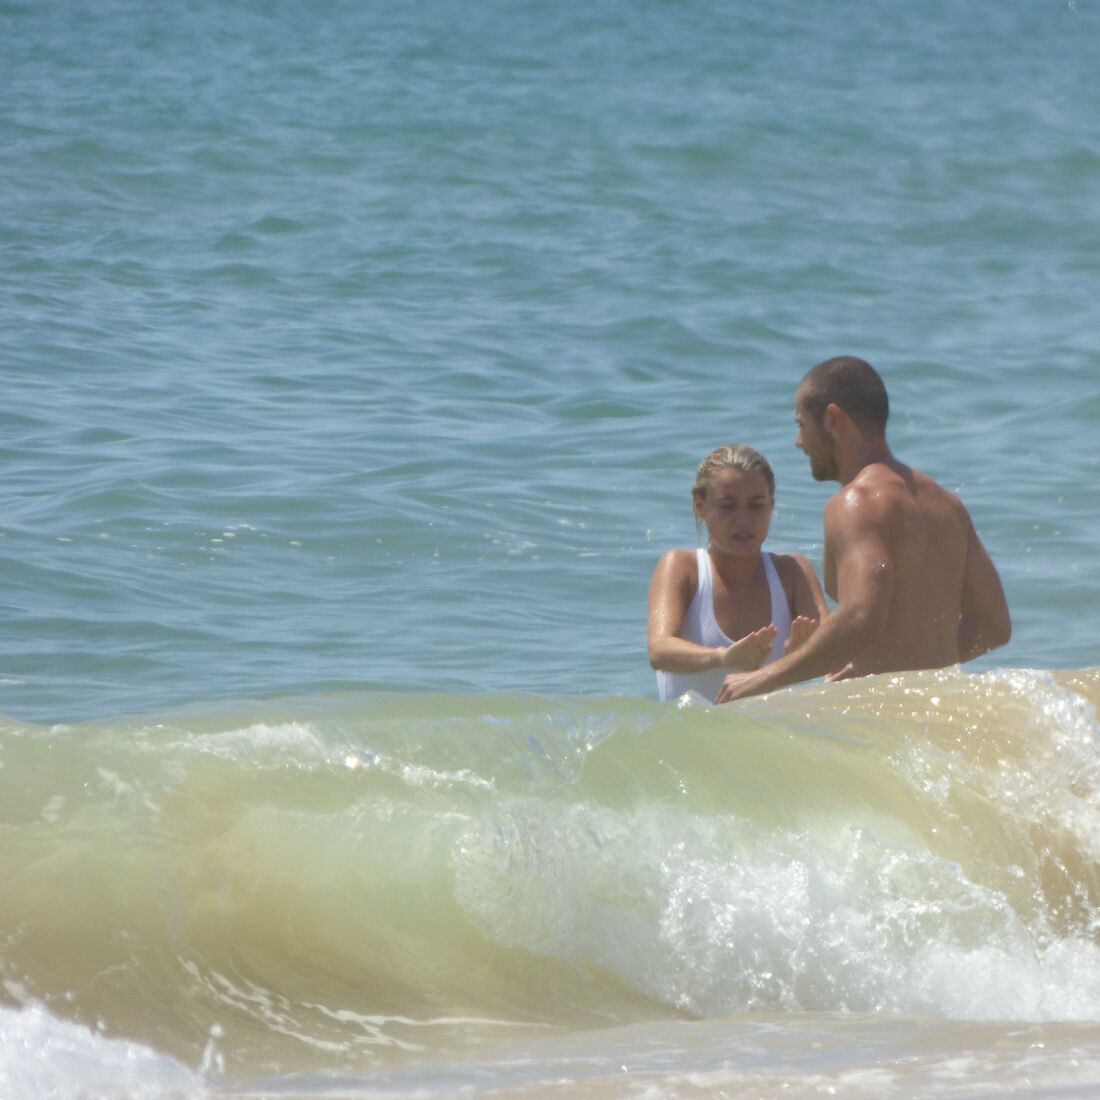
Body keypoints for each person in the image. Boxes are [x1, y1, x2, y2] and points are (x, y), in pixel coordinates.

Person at [715, 356, 1011, 703]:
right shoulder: (947, 505)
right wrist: (917, 670)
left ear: (833, 419)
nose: (799, 441)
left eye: (802, 425)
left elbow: (860, 616)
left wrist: (762, 679)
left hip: (890, 715)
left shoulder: (855, 503)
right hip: (945, 704)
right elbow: (994, 625)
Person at [648, 444, 828, 703]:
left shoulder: (792, 572)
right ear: (700, 506)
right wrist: (723, 657)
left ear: (771, 505)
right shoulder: (682, 567)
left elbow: (833, 648)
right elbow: (660, 650)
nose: (743, 520)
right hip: (693, 730)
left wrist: (795, 658)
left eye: (756, 505)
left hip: (771, 729)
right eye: (728, 506)